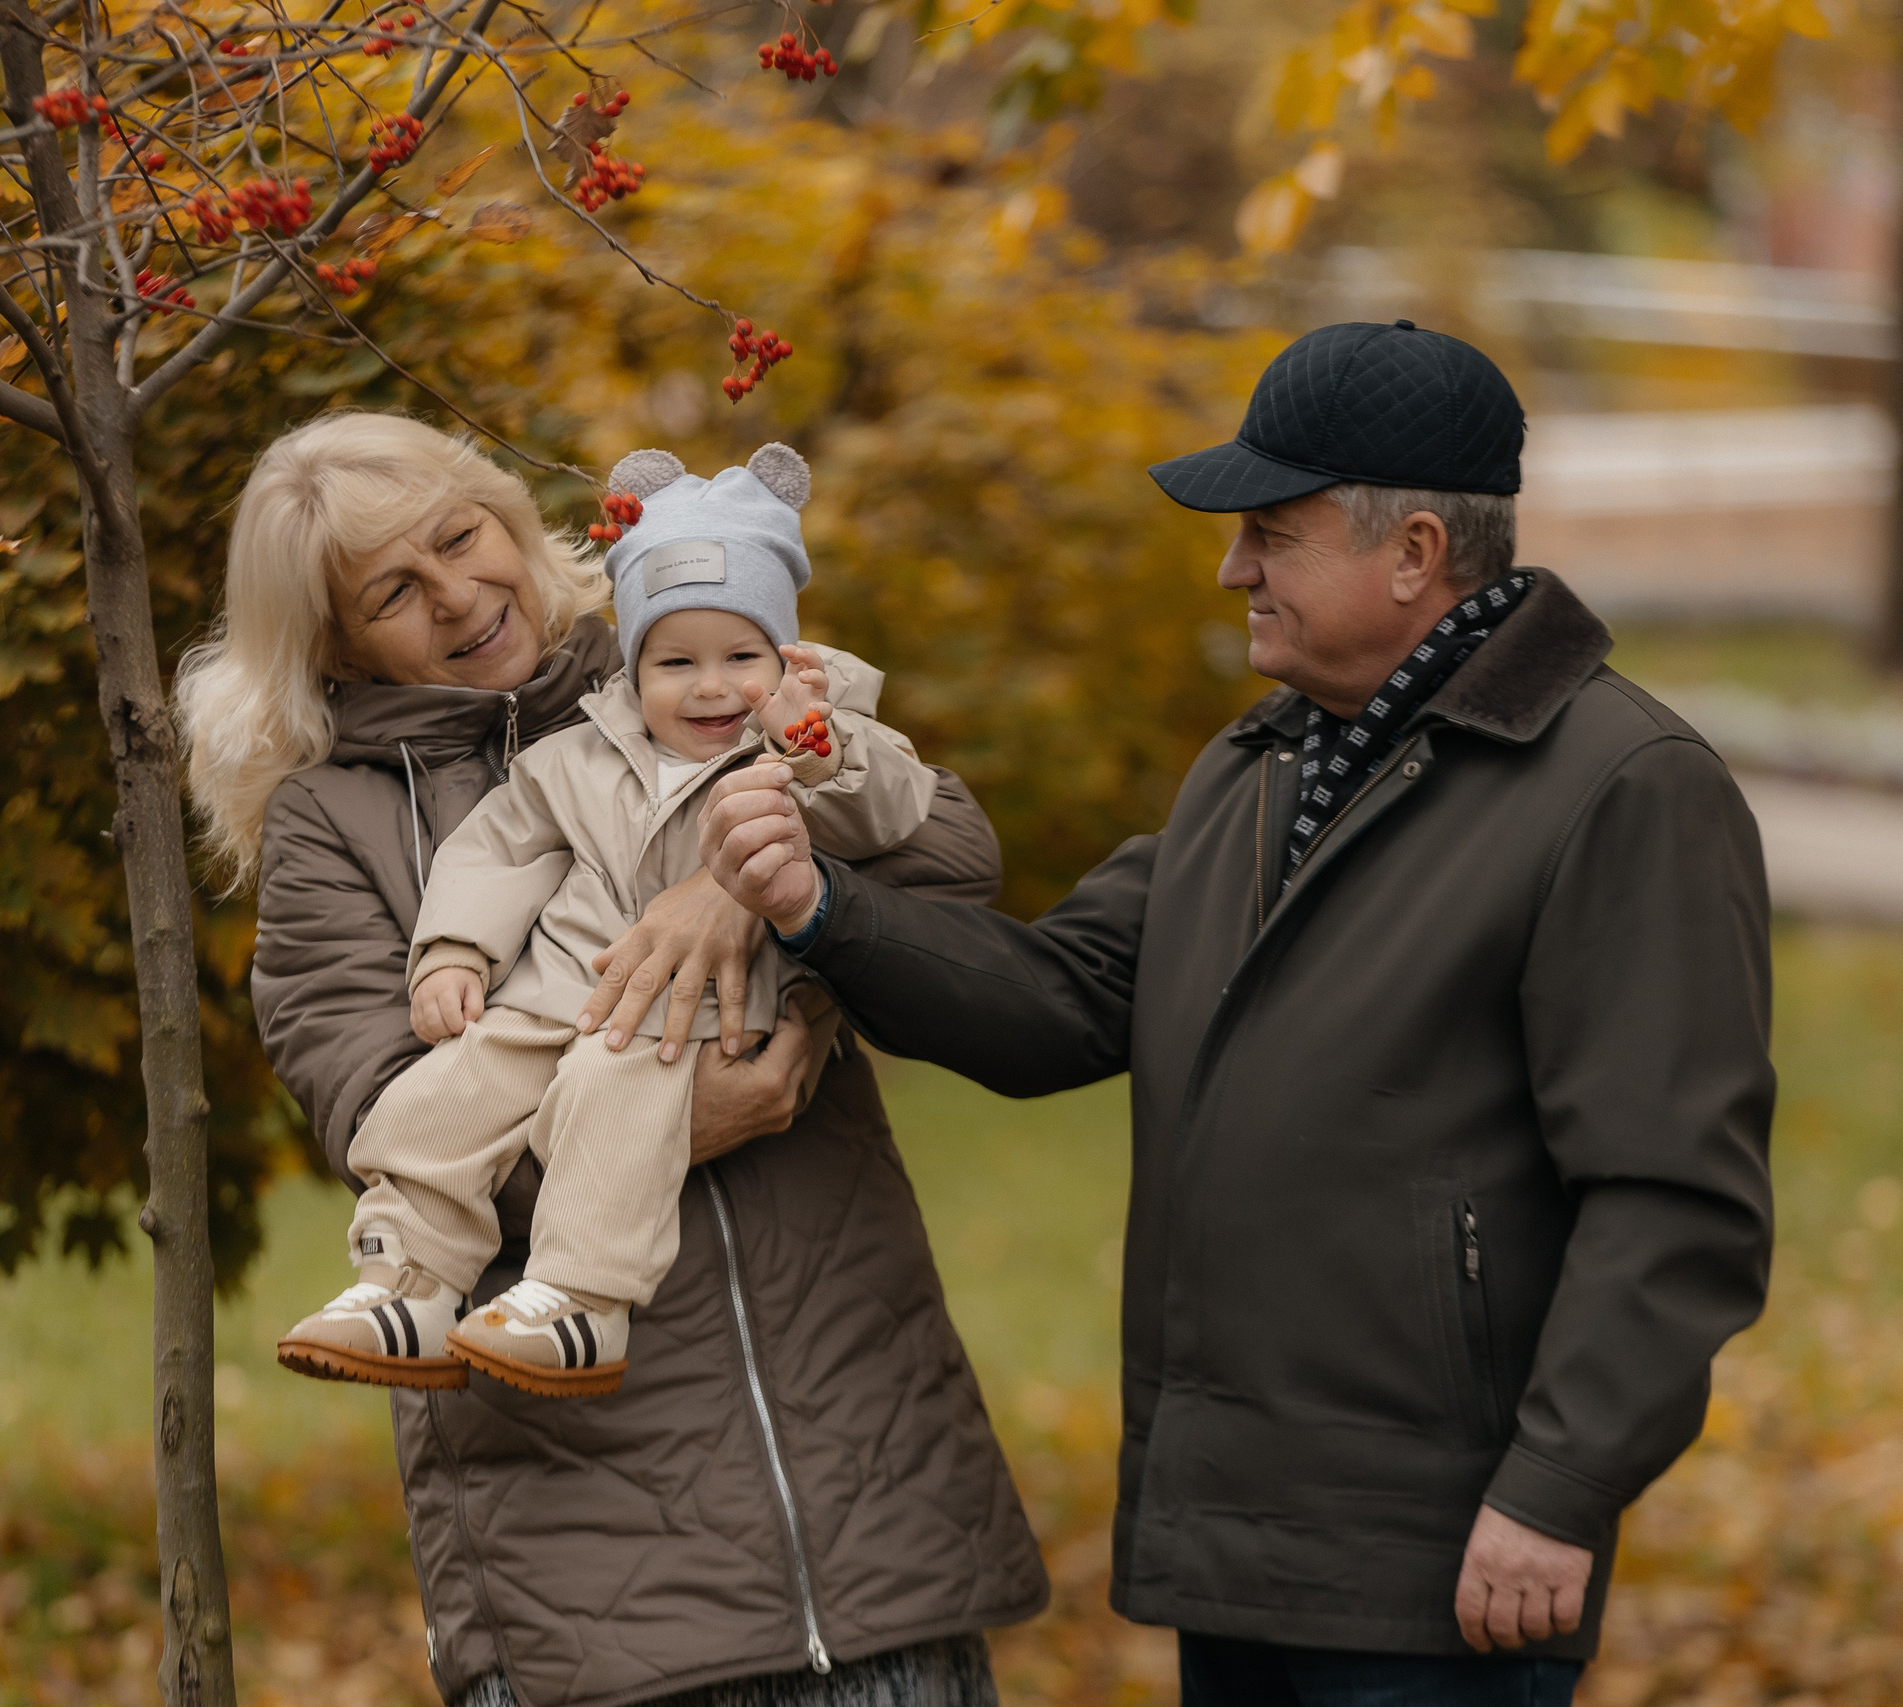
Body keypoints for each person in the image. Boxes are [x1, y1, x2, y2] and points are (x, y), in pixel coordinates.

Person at [699, 322, 1777, 1704]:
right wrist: (827, 908)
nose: (1231, 567)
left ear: (1416, 553)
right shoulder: (1257, 761)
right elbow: (1064, 998)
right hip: (1238, 1539)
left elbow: (1675, 1196)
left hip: (1451, 1558)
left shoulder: (1625, 786)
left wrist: (1562, 1482)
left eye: (1270, 530)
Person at [176, 413, 1045, 1707]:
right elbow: (381, 1111)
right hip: (582, 1540)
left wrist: (741, 882)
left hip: (864, 1479)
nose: (462, 596)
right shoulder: (332, 826)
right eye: (395, 590)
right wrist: (679, 1114)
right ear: (335, 640)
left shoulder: (706, 662)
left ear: (512, 522)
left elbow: (956, 857)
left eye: (463, 539)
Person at [276, 443, 944, 1396]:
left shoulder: (801, 746)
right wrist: (456, 951)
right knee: (434, 1100)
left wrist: (819, 758)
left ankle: (582, 1302)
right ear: (635, 667)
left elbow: (903, 815)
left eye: (742, 657)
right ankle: (406, 1285)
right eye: (677, 661)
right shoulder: (576, 754)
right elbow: (498, 851)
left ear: (785, 656)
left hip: (691, 1018)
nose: (713, 687)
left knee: (606, 1091)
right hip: (560, 995)